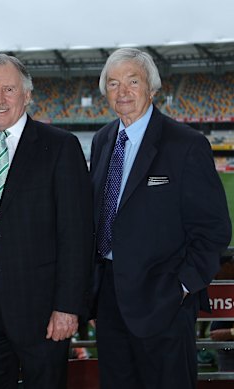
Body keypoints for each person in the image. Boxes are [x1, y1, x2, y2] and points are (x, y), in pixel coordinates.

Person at [90, 47, 232, 389]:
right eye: (113, 83)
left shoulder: (185, 144)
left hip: (164, 303)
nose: (122, 91)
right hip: (109, 302)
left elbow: (214, 229)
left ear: (151, 88)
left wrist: (181, 287)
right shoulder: (102, 140)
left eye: (132, 81)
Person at [0, 53, 93, 389]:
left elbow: (77, 233)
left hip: (42, 307)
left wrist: (67, 307)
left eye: (9, 90)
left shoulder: (60, 146)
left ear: (27, 95)